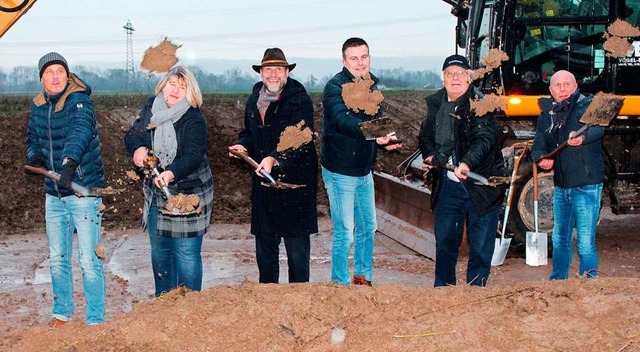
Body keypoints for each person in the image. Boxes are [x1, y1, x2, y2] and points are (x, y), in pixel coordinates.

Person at [25, 52, 106, 327]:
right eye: (49, 72)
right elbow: (32, 138)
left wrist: (69, 163)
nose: (55, 76)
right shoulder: (38, 105)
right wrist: (35, 156)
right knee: (58, 257)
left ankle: (95, 318)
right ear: (42, 78)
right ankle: (62, 312)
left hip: (82, 190)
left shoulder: (79, 100)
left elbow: (80, 132)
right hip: (54, 193)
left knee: (87, 259)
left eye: (60, 71)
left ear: (67, 75)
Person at [228, 48, 318, 283]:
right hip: (264, 189)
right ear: (261, 73)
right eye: (268, 69)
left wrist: (274, 158)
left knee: (297, 254)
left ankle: (298, 303)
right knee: (265, 252)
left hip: (295, 186)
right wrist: (242, 146)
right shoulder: (254, 99)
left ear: (287, 72)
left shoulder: (299, 99)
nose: (273, 74)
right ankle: (267, 301)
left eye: (279, 69)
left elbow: (301, 138)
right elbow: (249, 132)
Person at [418, 54, 506, 287]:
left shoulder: (480, 104)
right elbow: (425, 135)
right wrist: (429, 154)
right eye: (450, 74)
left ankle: (475, 290)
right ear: (443, 78)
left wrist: (466, 162)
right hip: (448, 186)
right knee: (445, 240)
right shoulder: (436, 104)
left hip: (481, 185)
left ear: (469, 78)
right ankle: (444, 288)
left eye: (460, 74)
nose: (455, 78)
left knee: (480, 245)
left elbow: (485, 139)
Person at [124, 66, 214, 296]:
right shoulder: (150, 108)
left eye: (182, 87)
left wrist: (171, 173)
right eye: (172, 84)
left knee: (185, 254)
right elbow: (133, 135)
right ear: (163, 85)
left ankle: (189, 306)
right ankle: (164, 304)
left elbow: (194, 156)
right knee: (161, 252)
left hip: (188, 190)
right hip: (156, 190)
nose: (175, 90)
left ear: (190, 92)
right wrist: (138, 149)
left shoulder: (194, 117)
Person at [321, 37, 401, 286]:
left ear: (370, 58)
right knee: (345, 232)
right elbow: (340, 119)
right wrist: (373, 133)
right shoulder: (334, 88)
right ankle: (340, 283)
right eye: (354, 58)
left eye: (364, 57)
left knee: (368, 227)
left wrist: (387, 139)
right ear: (344, 61)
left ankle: (363, 277)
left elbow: (377, 123)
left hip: (364, 170)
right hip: (340, 171)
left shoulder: (371, 88)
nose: (360, 62)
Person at [530, 70, 604, 280]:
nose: (562, 89)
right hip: (561, 186)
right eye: (557, 86)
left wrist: (583, 137)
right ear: (551, 89)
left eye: (567, 85)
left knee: (585, 242)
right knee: (560, 239)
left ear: (575, 86)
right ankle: (559, 281)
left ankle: (588, 282)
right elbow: (538, 145)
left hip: (586, 184)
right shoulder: (548, 114)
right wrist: (542, 158)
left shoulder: (586, 105)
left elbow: (598, 130)